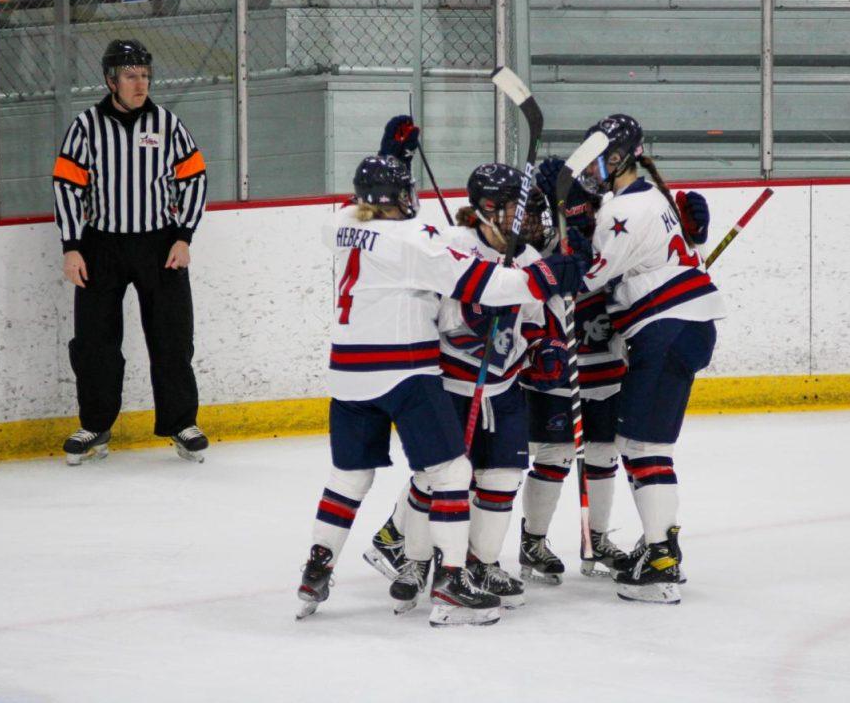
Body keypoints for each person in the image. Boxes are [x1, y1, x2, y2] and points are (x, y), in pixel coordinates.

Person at [296, 154, 586, 627]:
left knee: (349, 478)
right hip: (404, 368)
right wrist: (548, 276)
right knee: (450, 471)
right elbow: (481, 283)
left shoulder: (342, 223)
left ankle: (315, 568)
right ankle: (449, 581)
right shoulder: (418, 241)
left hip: (347, 372)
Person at [574, 114, 719, 605]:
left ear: (618, 157)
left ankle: (660, 558)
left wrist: (562, 249)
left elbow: (590, 279)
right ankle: (660, 544)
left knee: (642, 445)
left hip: (668, 331)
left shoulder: (625, 213)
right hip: (681, 328)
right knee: (637, 441)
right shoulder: (648, 199)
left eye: (599, 157)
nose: (591, 166)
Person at [51, 39, 209, 466]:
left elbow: (193, 177)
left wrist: (183, 236)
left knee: (172, 336)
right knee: (95, 340)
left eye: (144, 75)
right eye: (130, 76)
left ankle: (181, 423)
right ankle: (96, 425)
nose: (140, 84)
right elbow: (67, 185)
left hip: (160, 245)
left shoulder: (168, 124)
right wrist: (72, 246)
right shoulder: (85, 127)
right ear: (110, 80)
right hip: (101, 245)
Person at [516, 156, 631, 584]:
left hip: (604, 362)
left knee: (603, 453)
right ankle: (533, 541)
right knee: (554, 454)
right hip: (560, 368)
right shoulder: (540, 246)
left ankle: (595, 539)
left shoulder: (607, 227)